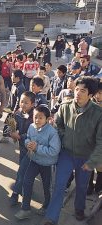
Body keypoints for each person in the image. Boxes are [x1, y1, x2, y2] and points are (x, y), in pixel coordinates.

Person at [43, 77, 102, 225]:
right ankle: (51, 217)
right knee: (59, 185)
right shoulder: (65, 106)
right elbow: (58, 126)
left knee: (82, 186)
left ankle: (79, 208)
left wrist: (93, 161)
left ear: (91, 95)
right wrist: (65, 136)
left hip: (85, 157)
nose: (78, 93)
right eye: (77, 89)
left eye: (83, 91)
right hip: (66, 154)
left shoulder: (98, 113)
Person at [15, 105, 61, 220]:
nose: (37, 120)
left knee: (47, 187)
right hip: (34, 160)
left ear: (47, 119)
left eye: (41, 118)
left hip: (47, 165)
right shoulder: (31, 127)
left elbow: (54, 150)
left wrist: (37, 148)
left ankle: (46, 206)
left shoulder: (52, 132)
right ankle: (25, 209)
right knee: (26, 181)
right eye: (35, 117)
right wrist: (27, 144)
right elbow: (28, 138)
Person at [9, 91, 35, 206]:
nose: (23, 104)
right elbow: (9, 125)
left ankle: (15, 192)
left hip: (32, 148)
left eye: (26, 102)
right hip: (22, 146)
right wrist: (11, 132)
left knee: (23, 170)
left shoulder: (36, 116)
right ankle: (25, 187)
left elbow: (35, 132)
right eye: (21, 101)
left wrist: (20, 136)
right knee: (24, 169)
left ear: (32, 104)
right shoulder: (17, 113)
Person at [87, 81, 102, 195]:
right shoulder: (90, 104)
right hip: (90, 140)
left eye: (101, 93)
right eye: (96, 93)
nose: (98, 96)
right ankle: (89, 186)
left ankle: (99, 187)